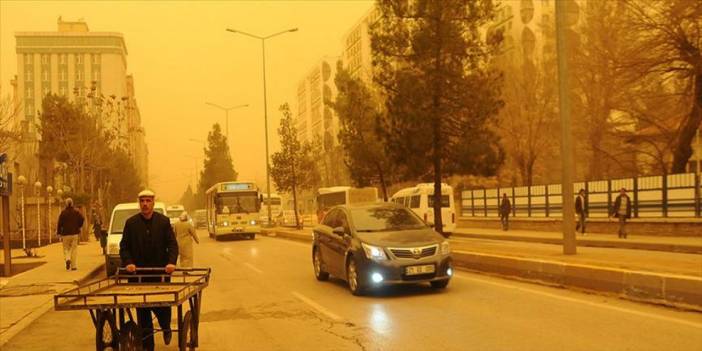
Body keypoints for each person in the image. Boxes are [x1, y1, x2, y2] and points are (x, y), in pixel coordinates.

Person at [120, 190, 178, 350]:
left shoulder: (163, 222)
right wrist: (128, 262)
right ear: (139, 203)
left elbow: (172, 245)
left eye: (148, 201)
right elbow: (124, 247)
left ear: (153, 203)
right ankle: (148, 346)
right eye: (142, 201)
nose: (145, 204)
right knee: (144, 314)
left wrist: (171, 263)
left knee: (163, 309)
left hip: (160, 275)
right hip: (138, 276)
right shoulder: (131, 223)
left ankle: (166, 328)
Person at [56, 198, 84, 271]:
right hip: (75, 233)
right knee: (74, 249)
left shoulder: (63, 213)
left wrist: (59, 232)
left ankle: (68, 259)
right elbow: (82, 219)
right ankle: (74, 266)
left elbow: (59, 223)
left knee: (66, 248)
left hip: (65, 234)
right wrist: (79, 226)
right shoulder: (76, 212)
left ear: (66, 204)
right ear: (72, 204)